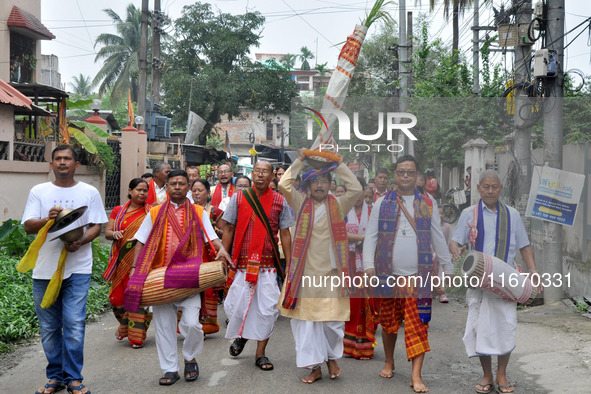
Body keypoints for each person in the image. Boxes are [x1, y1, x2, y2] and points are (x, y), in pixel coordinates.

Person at [127, 169, 231, 386]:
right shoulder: (154, 213)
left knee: (193, 324)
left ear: (188, 188)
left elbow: (212, 238)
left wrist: (222, 250)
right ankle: (170, 369)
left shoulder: (199, 211)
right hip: (160, 278)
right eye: (172, 183)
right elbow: (141, 241)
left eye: (181, 184)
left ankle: (190, 357)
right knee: (164, 328)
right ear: (167, 186)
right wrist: (136, 268)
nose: (177, 187)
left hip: (189, 278)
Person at [363, 155, 453, 393]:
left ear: (417, 176)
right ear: (395, 174)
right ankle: (389, 361)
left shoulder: (429, 202)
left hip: (419, 276)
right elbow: (371, 235)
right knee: (389, 323)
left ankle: (416, 375)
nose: (405, 176)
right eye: (401, 172)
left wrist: (448, 269)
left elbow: (437, 238)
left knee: (418, 325)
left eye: (410, 172)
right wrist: (368, 265)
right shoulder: (382, 202)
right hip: (387, 275)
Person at [21, 146, 108, 394]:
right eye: (57, 158)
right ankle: (55, 377)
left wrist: (80, 241)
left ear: (76, 165)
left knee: (73, 323)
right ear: (51, 165)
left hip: (78, 268)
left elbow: (97, 225)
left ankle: (73, 378)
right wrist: (47, 219)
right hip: (44, 270)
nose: (62, 162)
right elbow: (28, 226)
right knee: (49, 327)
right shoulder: (39, 191)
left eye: (67, 158)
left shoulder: (89, 192)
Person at [449, 170, 541, 394]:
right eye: (486, 186)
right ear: (479, 188)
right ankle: (487, 374)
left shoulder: (512, 215)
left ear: (500, 189)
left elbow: (524, 245)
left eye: (494, 187)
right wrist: (456, 249)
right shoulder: (468, 215)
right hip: (479, 281)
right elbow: (454, 242)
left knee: (505, 326)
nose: (490, 190)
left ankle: (502, 374)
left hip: (506, 280)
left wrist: (533, 271)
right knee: (482, 329)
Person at [278, 149, 362, 384]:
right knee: (305, 324)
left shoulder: (339, 204)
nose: (320, 186)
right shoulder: (300, 202)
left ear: (330, 185)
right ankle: (314, 367)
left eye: (324, 181)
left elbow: (355, 188)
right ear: (308, 185)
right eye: (315, 181)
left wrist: (339, 165)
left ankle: (331, 358)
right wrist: (301, 160)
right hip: (304, 274)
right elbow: (284, 183)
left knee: (333, 322)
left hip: (333, 274)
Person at [221, 161, 293, 371]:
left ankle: (260, 354)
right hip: (242, 264)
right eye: (257, 171)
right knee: (238, 306)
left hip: (268, 265)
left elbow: (286, 233)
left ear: (272, 176)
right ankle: (243, 336)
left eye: (265, 172)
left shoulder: (280, 201)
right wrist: (223, 254)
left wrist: (289, 263)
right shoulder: (239, 197)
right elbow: (229, 227)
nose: (261, 175)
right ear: (252, 174)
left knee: (269, 310)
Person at [104, 178, 151, 349]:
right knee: (116, 298)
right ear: (130, 191)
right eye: (139, 189)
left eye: (145, 190)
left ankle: (136, 337)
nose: (142, 193)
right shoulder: (118, 211)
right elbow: (107, 232)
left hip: (141, 261)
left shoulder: (151, 212)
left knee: (136, 297)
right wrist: (115, 233)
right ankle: (125, 324)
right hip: (120, 259)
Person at [191, 178, 226, 334]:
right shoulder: (187, 210)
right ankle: (190, 324)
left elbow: (225, 234)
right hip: (191, 255)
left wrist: (213, 230)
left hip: (208, 256)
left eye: (200, 190)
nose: (197, 193)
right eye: (194, 190)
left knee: (207, 290)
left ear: (208, 193)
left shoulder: (215, 211)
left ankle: (206, 325)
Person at [343, 190, 375, 360]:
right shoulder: (343, 212)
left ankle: (365, 344)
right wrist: (362, 237)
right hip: (349, 263)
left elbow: (376, 236)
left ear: (364, 194)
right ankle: (349, 345)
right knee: (352, 304)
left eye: (359, 194)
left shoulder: (371, 212)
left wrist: (366, 240)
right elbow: (339, 234)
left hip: (368, 265)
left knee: (368, 303)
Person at [433, 207, 451, 304]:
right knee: (432, 273)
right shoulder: (431, 226)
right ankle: (433, 292)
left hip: (442, 254)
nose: (440, 216)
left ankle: (442, 293)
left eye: (442, 213)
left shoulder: (447, 227)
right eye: (438, 213)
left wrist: (447, 254)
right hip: (432, 253)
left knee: (441, 273)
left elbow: (447, 241)